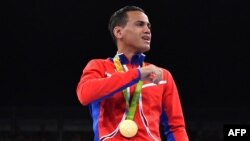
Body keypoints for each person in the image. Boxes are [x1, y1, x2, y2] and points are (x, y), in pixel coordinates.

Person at [76, 5, 189, 141]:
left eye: (149, 26)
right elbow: (85, 94)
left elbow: (176, 128)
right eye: (140, 24)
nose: (147, 30)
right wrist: (138, 74)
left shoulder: (162, 75)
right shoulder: (99, 66)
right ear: (118, 32)